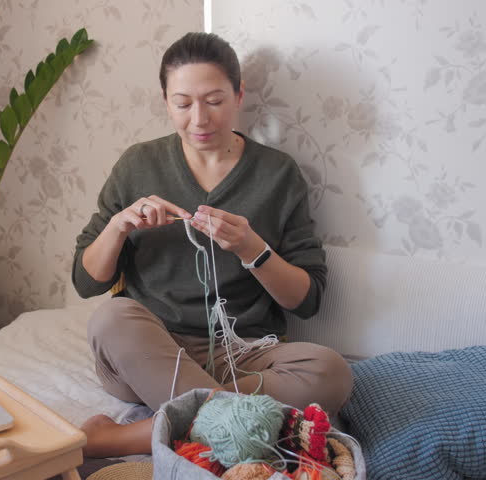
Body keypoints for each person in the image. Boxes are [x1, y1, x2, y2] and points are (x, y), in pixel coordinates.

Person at [71, 32, 352, 458]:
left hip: (241, 356)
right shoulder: (137, 165)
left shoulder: (277, 175)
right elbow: (85, 281)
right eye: (183, 103)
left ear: (239, 96)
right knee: (111, 317)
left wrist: (252, 249)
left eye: (214, 100)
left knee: (332, 372)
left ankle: (128, 435)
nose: (199, 119)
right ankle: (230, 420)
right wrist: (118, 228)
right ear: (166, 101)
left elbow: (307, 300)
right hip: (150, 350)